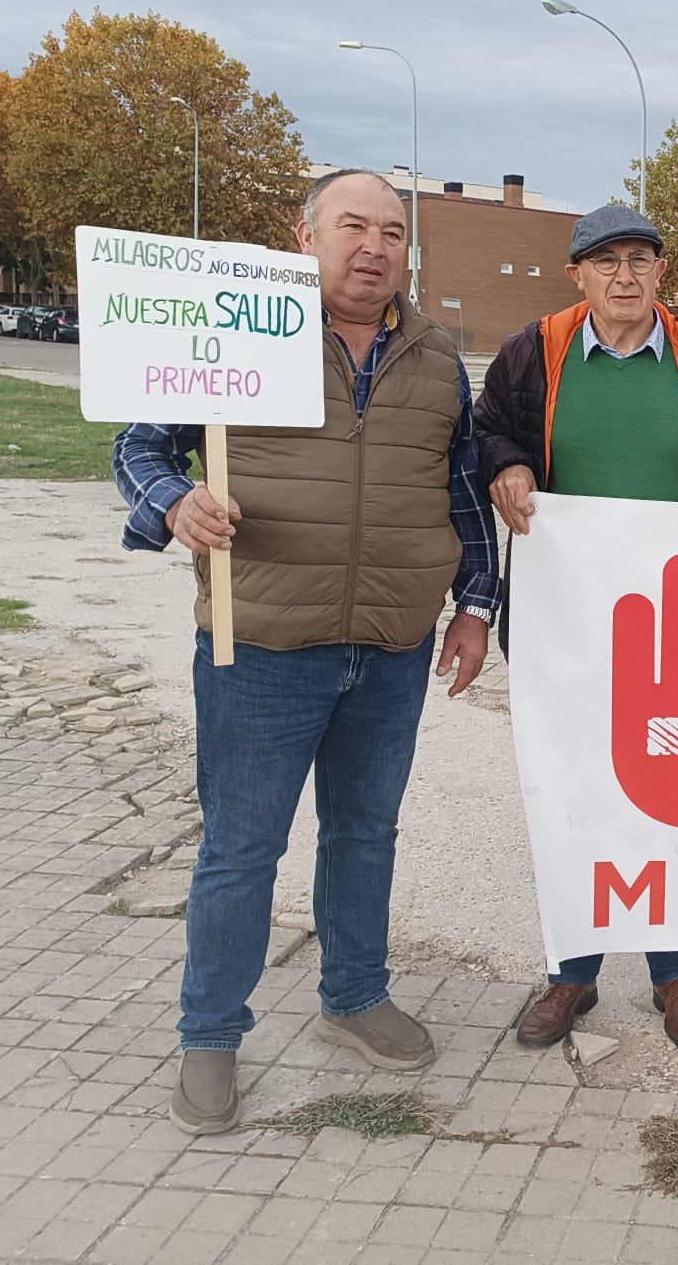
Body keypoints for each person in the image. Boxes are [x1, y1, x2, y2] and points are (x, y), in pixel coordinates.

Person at [113, 169, 499, 1135]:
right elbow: (138, 446)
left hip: (393, 644)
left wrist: (476, 605)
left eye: (393, 231)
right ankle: (210, 1037)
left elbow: (462, 492)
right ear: (308, 233)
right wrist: (173, 502)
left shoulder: (440, 358)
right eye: (352, 226)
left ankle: (354, 994)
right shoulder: (235, 331)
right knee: (242, 850)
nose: (373, 246)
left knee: (365, 833)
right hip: (265, 646)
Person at [475, 203, 678, 1052]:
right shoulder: (537, 350)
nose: (626, 276)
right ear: (578, 274)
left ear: (660, 272)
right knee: (571, 794)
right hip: (568, 619)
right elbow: (488, 431)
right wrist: (510, 463)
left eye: (641, 259)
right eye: (607, 262)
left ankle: (675, 971)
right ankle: (574, 973)